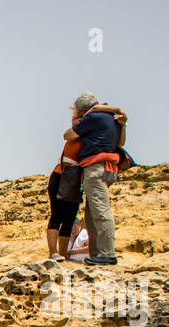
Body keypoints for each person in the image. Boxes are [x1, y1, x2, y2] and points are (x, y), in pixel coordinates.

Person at [63, 93, 126, 266]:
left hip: (95, 166)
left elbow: (68, 135)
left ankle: (106, 253)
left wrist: (77, 122)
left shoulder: (92, 117)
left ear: (82, 110)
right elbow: (121, 143)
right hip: (108, 167)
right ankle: (98, 253)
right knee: (91, 214)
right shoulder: (113, 118)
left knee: (100, 211)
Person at [46, 106, 85, 261]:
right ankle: (53, 252)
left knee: (69, 218)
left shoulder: (87, 136)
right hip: (61, 176)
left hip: (75, 179)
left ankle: (62, 255)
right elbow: (67, 135)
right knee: (57, 215)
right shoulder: (76, 133)